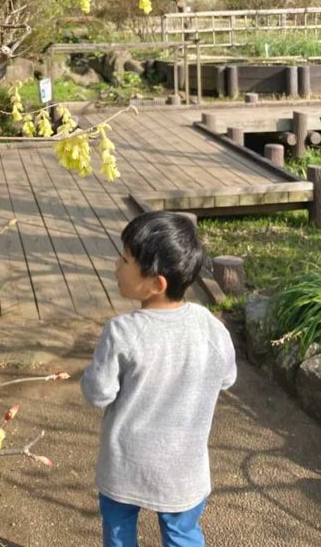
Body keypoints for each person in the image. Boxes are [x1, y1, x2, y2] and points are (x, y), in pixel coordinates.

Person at [81, 212, 236, 547]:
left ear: (156, 283)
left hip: (125, 466)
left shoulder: (122, 332)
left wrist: (89, 375)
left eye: (125, 259)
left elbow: (98, 393)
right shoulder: (211, 327)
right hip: (184, 468)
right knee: (182, 535)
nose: (116, 265)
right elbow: (227, 377)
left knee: (120, 533)